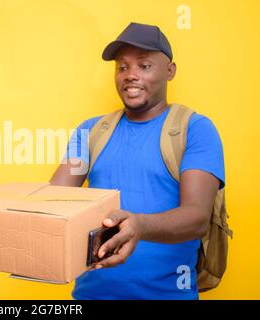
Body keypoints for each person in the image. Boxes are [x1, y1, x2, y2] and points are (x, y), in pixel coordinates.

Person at [49, 22, 225, 299]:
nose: (130, 75)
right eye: (122, 67)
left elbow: (197, 217)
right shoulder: (90, 132)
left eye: (144, 66)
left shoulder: (196, 129)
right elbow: (55, 200)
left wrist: (140, 226)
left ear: (170, 71)